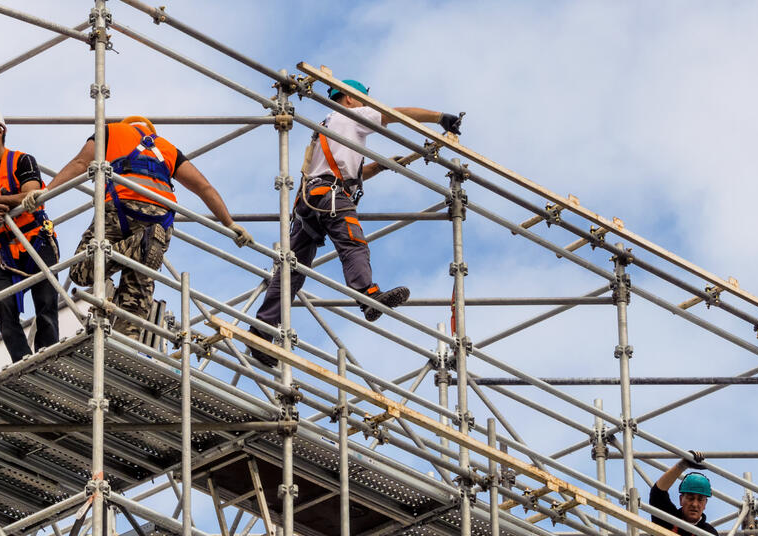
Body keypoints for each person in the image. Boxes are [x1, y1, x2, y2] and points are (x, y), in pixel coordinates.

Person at [246, 79, 463, 367]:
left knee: (291, 273)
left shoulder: (328, 124)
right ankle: (367, 295)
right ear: (348, 98)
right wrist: (439, 118)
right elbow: (395, 114)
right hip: (330, 197)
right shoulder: (352, 115)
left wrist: (379, 165)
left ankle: (261, 331)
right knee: (353, 243)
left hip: (310, 202)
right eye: (362, 99)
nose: (366, 105)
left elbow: (344, 173)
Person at [45, 116, 253, 339]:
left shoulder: (111, 132)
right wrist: (229, 224)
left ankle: (141, 244)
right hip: (160, 221)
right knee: (137, 289)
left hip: (120, 207)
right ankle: (126, 340)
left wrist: (45, 193)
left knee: (80, 271)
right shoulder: (168, 149)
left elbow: (80, 163)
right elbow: (204, 187)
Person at [0, 105, 60, 363]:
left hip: (36, 242)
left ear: (0, 130)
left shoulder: (22, 160)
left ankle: (47, 359)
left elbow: (32, 195)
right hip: (5, 251)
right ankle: (23, 361)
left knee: (46, 306)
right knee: (4, 310)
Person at [646, 451, 718, 536]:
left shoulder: (708, 533)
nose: (695, 504)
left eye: (700, 500)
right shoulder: (668, 518)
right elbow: (657, 493)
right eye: (690, 498)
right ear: (681, 500)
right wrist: (682, 465)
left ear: (705, 504)